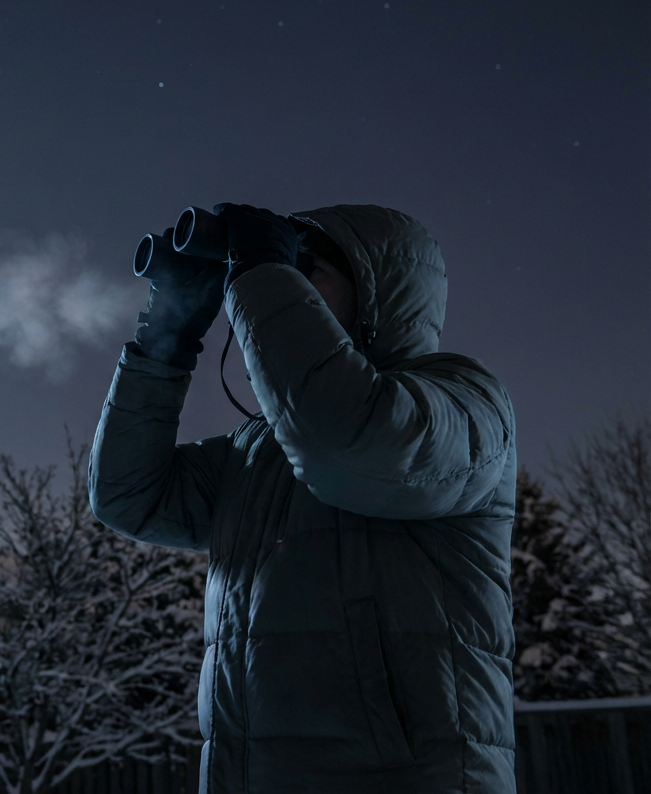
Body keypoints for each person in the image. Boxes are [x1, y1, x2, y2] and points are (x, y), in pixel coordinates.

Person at [88, 204, 516, 793]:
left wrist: (262, 273)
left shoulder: (463, 400)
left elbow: (352, 444)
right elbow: (127, 495)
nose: (283, 285)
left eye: (304, 270)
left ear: (378, 292)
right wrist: (170, 332)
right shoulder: (260, 448)